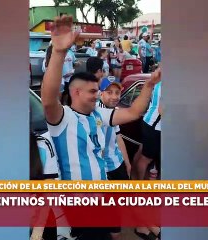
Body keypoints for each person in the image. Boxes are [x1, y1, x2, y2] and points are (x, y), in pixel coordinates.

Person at [41, 14, 161, 239]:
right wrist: (58, 53)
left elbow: (134, 112)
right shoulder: (63, 118)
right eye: (94, 91)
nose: (99, 96)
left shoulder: (98, 115)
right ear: (76, 93)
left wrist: (150, 85)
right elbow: (47, 100)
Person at [98, 77, 131, 240]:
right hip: (104, 170)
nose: (114, 96)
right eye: (109, 92)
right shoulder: (95, 113)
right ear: (100, 94)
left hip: (116, 164)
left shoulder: (114, 112)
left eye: (117, 92)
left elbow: (118, 137)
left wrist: (127, 162)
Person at [132, 81, 162, 240]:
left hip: (155, 125)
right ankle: (138, 188)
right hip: (155, 126)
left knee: (146, 155)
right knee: (146, 157)